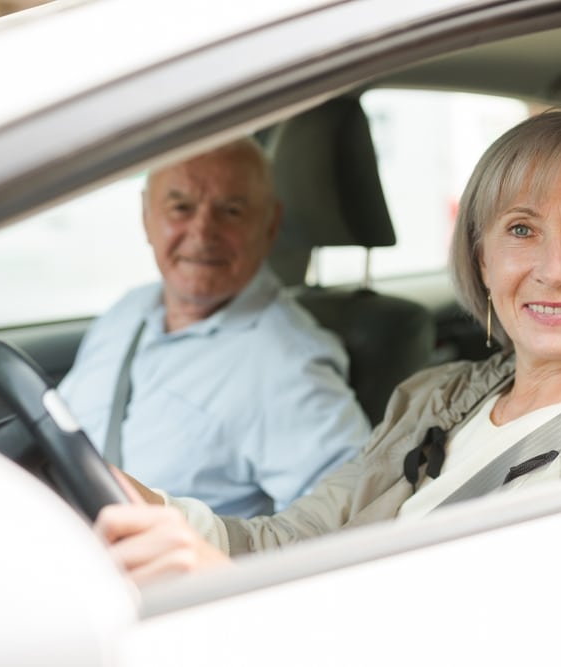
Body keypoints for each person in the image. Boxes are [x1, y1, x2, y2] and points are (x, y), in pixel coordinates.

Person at [95, 104, 561, 584]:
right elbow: (293, 540)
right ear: (484, 260)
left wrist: (232, 595)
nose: (552, 268)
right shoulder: (436, 400)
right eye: (521, 229)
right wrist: (140, 503)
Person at [45, 138, 371, 517]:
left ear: (270, 225)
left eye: (231, 211)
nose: (201, 232)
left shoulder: (288, 364)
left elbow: (352, 515)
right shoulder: (129, 310)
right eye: (180, 207)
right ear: (146, 217)